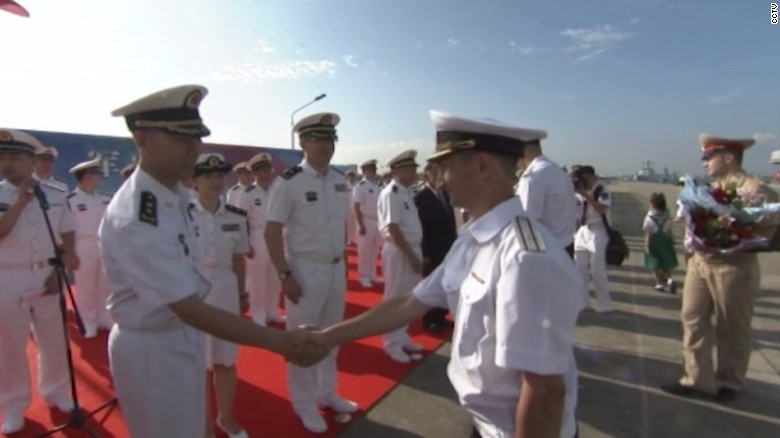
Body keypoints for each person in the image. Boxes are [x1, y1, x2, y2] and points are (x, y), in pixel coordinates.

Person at [302, 110, 582, 438]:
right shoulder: (473, 238)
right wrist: (327, 337)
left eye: (445, 167)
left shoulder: (526, 258)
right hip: (487, 426)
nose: (439, 178)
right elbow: (410, 303)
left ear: (481, 166)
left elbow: (545, 392)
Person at [99, 85, 323, 438]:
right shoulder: (139, 215)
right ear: (141, 139)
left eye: (198, 137)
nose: (195, 149)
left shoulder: (174, 194)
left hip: (181, 335)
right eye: (180, 138)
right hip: (153, 350)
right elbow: (188, 308)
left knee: (193, 424)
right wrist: (282, 343)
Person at [661, 133, 779, 403]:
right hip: (700, 263)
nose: (704, 163)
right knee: (692, 319)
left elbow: (771, 226)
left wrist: (737, 237)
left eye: (709, 156)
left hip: (733, 266)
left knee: (732, 326)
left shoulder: (755, 189)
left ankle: (729, 381)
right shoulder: (706, 188)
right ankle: (697, 378)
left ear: (728, 157)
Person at [264, 112, 357, 433]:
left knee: (331, 337)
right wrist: (284, 274)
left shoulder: (337, 179)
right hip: (304, 269)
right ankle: (304, 403)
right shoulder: (289, 182)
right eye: (319, 139)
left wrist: (343, 262)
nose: (327, 146)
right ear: (303, 142)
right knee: (302, 341)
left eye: (331, 139)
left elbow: (340, 227)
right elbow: (271, 231)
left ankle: (327, 392)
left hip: (334, 268)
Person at [0, 129, 79, 435]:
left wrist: (63, 262)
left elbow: (68, 232)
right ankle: (12, 405)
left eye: (16, 157)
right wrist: (21, 201)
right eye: (3, 157)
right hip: (8, 275)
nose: (8, 163)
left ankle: (57, 391)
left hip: (47, 275)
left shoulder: (56, 195)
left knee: (54, 340)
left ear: (33, 161)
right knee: (10, 346)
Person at [190, 152, 250, 438]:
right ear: (194, 180)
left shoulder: (236, 217)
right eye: (207, 175)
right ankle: (202, 425)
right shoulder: (182, 214)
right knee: (199, 365)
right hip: (194, 293)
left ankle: (226, 418)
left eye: (219, 175)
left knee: (226, 360)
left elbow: (239, 260)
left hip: (226, 291)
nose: (215, 181)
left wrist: (241, 294)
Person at [377, 149, 425, 363]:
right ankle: (391, 343)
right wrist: (410, 256)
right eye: (410, 168)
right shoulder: (391, 193)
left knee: (407, 297)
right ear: (397, 170)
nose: (414, 172)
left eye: (414, 168)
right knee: (395, 297)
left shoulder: (406, 192)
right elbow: (393, 228)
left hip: (411, 248)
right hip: (399, 250)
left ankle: (401, 335)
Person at [233, 152, 284, 325]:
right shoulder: (247, 193)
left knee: (274, 277)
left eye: (269, 169)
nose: (268, 173)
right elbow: (240, 220)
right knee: (258, 279)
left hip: (275, 237)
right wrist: (245, 243)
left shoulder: (276, 191)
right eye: (263, 170)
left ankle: (272, 311)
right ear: (255, 173)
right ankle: (258, 314)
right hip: (257, 236)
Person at [67, 157, 113, 338]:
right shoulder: (70, 200)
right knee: (85, 285)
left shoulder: (105, 199)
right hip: (83, 244)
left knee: (105, 284)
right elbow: (65, 228)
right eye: (96, 174)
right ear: (86, 176)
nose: (100, 178)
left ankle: (105, 317)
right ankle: (88, 320)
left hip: (104, 244)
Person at [515, 137, 577, 256]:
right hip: (565, 245)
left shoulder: (534, 176)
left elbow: (526, 223)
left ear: (522, 152)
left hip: (546, 251)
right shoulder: (556, 170)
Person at [414, 162, 457, 334]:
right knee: (433, 285)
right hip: (432, 248)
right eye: (436, 174)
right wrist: (424, 253)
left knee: (447, 284)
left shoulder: (445, 194)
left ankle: (441, 315)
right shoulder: (421, 198)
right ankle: (430, 319)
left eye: (441, 173)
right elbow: (421, 228)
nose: (440, 178)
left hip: (447, 246)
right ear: (427, 177)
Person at [573, 165, 614, 313]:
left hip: (599, 231)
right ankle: (583, 302)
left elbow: (601, 209)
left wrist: (586, 195)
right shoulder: (579, 191)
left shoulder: (602, 191)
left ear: (589, 176)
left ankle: (604, 303)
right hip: (583, 231)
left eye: (581, 178)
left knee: (597, 271)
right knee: (579, 270)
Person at [352, 159, 383, 288]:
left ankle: (371, 274)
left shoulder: (377, 186)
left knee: (374, 250)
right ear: (364, 171)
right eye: (370, 169)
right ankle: (363, 276)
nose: (372, 172)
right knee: (364, 250)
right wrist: (361, 224)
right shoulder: (361, 186)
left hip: (378, 221)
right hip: (366, 220)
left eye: (374, 169)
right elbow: (356, 206)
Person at [642, 192, 678, 293]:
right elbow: (669, 230)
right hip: (666, 242)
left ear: (653, 204)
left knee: (655, 265)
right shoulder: (667, 216)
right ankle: (670, 280)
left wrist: (646, 246)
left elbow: (648, 234)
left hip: (655, 244)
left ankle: (660, 283)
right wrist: (672, 240)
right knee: (666, 264)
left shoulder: (649, 218)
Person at [345, 169, 358, 245]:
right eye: (349, 176)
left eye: (352, 176)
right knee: (348, 225)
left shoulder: (357, 185)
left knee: (355, 225)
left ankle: (355, 239)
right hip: (348, 208)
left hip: (356, 208)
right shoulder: (345, 185)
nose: (351, 177)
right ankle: (348, 239)